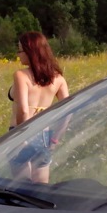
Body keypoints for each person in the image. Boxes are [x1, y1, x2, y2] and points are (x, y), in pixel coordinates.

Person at [8, 32, 70, 182]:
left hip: (21, 133)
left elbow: (23, 110)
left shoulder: (21, 75)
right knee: (41, 188)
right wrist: (55, 139)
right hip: (44, 135)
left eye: (20, 50)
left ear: (30, 52)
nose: (18, 54)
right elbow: (68, 111)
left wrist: (21, 137)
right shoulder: (58, 78)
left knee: (22, 189)